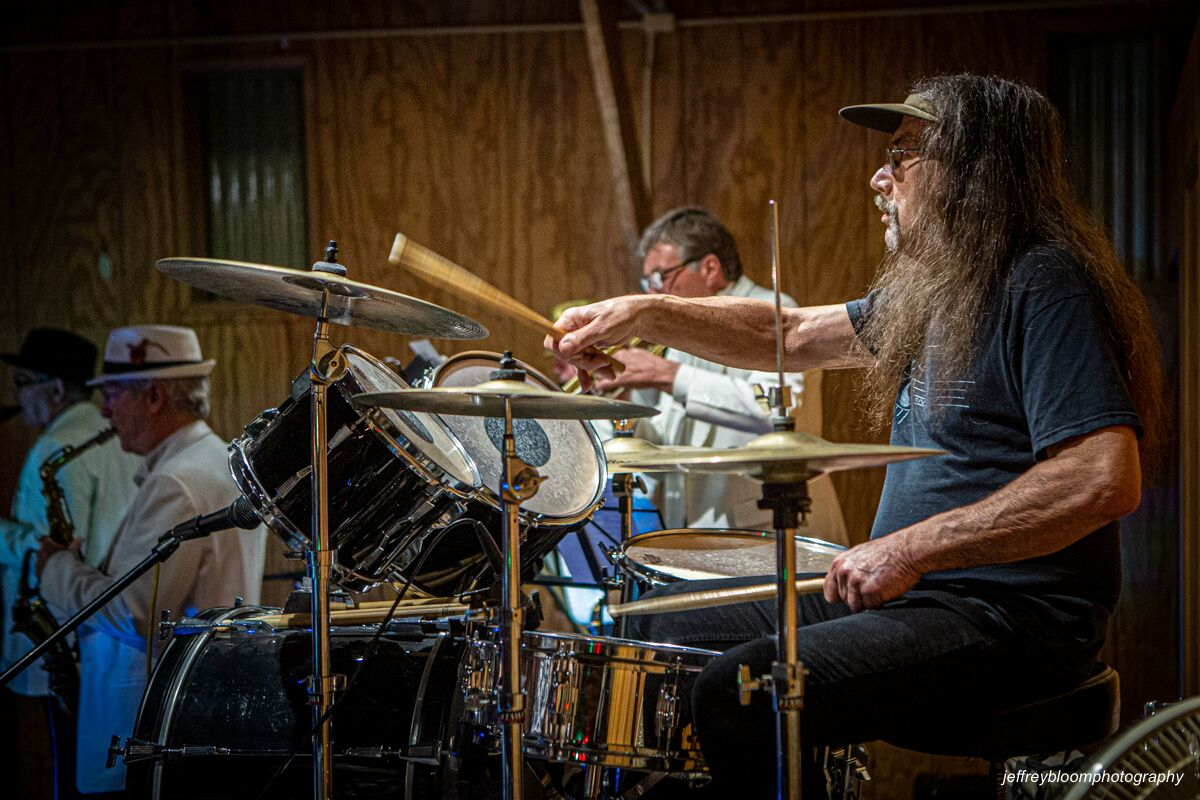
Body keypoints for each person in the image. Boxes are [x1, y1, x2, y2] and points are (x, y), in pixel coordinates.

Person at [549, 74, 1164, 797]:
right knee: (656, 632)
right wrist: (642, 312)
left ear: (973, 172)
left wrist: (911, 547)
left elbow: (1102, 477)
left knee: (737, 692)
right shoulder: (938, 291)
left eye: (902, 156)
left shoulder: (1043, 282)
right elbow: (790, 332)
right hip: (925, 597)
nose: (879, 177)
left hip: (1008, 619)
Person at [37, 325, 267, 796]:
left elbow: (135, 612)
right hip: (198, 708)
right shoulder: (216, 459)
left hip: (151, 720)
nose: (104, 411)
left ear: (155, 396)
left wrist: (55, 568)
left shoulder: (176, 482)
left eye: (114, 394)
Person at [593, 207, 846, 541]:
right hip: (700, 533)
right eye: (647, 282)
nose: (652, 294)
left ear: (710, 268)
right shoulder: (683, 336)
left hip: (771, 535)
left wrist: (668, 374)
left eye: (660, 278)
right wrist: (623, 409)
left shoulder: (773, 312)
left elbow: (776, 411)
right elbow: (671, 441)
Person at [0, 329, 141, 799]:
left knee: (73, 769)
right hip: (105, 639)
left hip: (69, 635)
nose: (18, 396)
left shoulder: (55, 448)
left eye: (23, 382)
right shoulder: (116, 438)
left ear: (56, 388)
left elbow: (51, 550)